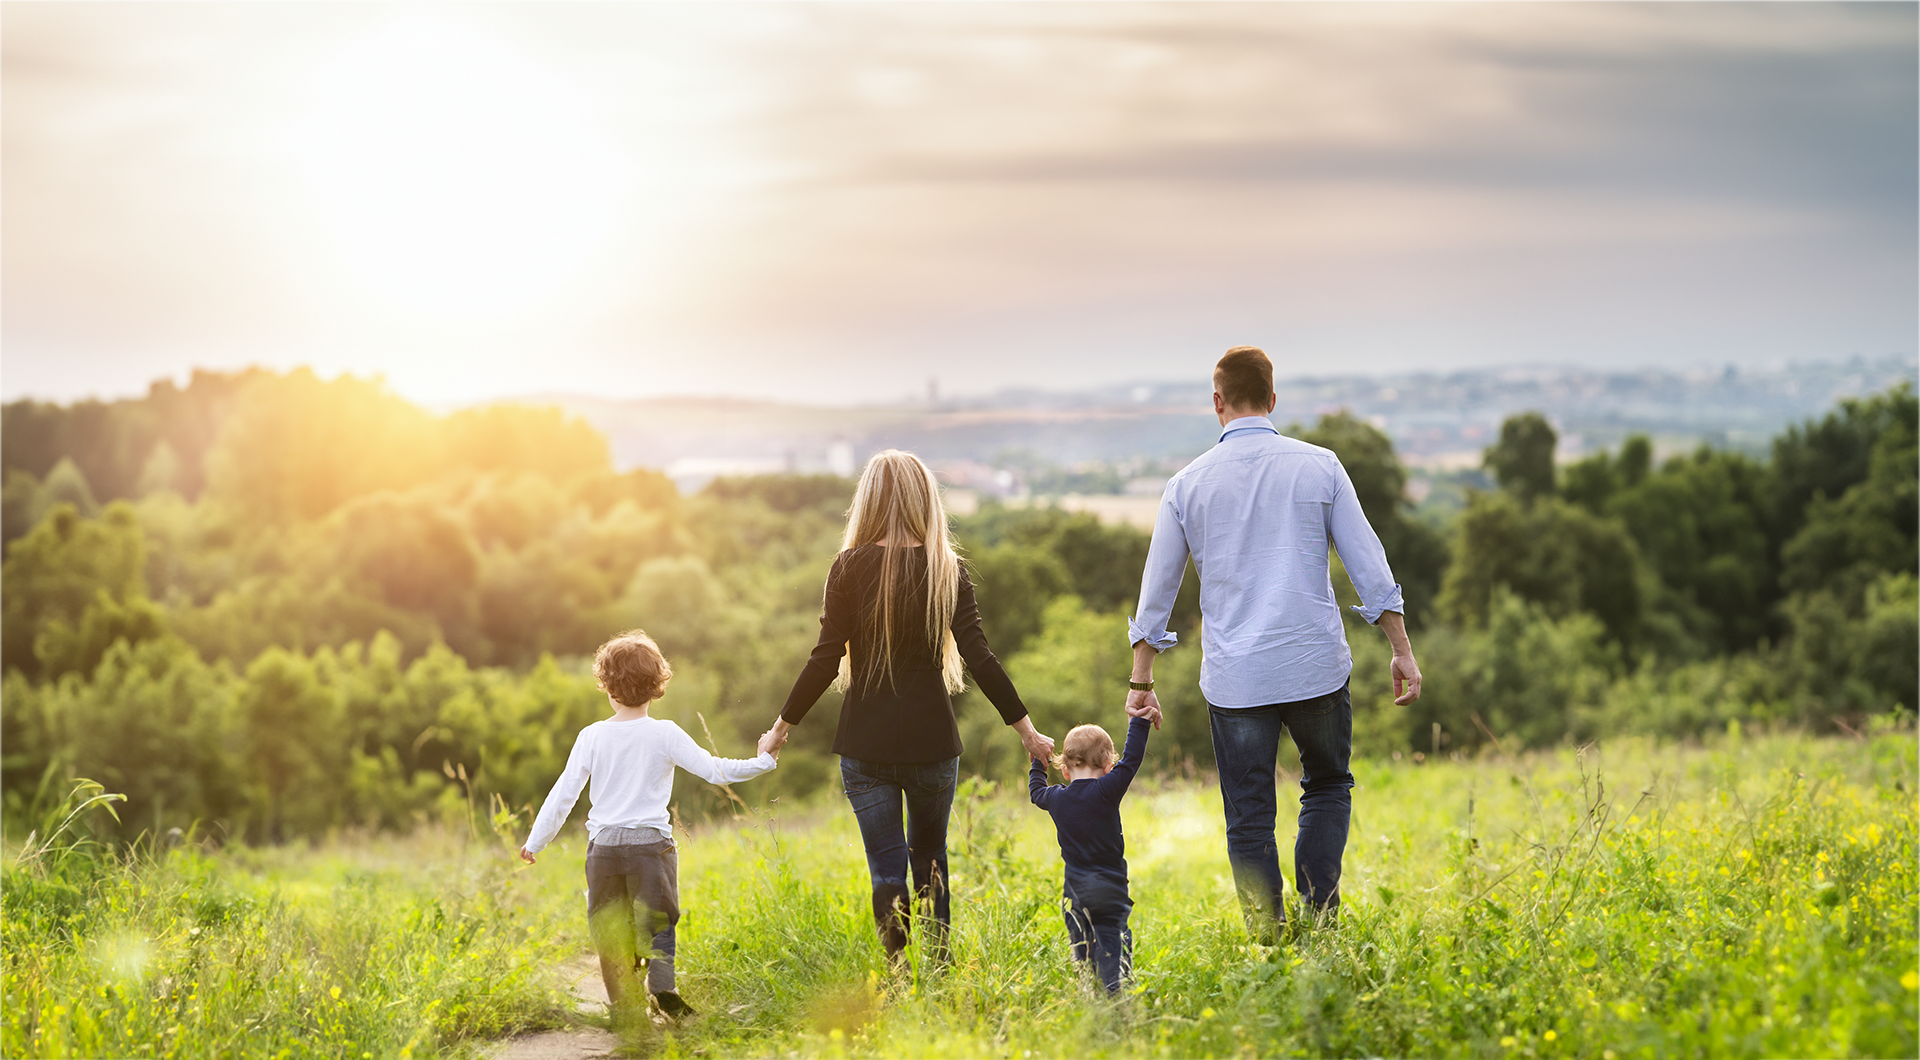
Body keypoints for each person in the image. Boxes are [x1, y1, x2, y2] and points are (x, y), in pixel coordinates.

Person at [1125, 346, 1423, 940]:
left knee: (1248, 819)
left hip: (1237, 681)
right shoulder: (1321, 467)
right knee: (1329, 785)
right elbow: (1369, 564)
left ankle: (1269, 941)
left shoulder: (1186, 486)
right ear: (1273, 398)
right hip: (1314, 665)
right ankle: (1320, 917)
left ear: (1217, 403)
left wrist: (1142, 681)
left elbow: (1156, 590)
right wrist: (1402, 649)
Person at [757, 449, 1055, 963]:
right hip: (933, 744)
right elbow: (979, 658)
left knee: (886, 868)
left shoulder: (847, 567)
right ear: (925, 500)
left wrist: (781, 727)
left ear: (867, 500)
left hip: (864, 745)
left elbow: (825, 658)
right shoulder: (947, 569)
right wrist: (1027, 731)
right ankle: (937, 972)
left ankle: (898, 973)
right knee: (931, 861)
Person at [519, 630, 777, 1019]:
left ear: (606, 685)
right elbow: (715, 770)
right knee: (658, 918)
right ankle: (662, 987)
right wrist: (764, 760)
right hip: (650, 849)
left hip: (603, 850)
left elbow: (563, 794)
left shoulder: (592, 736)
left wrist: (535, 842)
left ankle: (624, 1007)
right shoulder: (665, 733)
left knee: (608, 926)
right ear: (658, 686)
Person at [1028, 711, 1156, 993]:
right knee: (1112, 941)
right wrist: (1140, 721)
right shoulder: (1107, 790)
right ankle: (1115, 992)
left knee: (1082, 942)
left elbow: (1036, 792)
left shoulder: (1056, 797)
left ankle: (1090, 989)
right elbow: (1132, 759)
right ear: (1108, 766)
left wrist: (1038, 762)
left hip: (1074, 891)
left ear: (1064, 770)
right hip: (1109, 889)